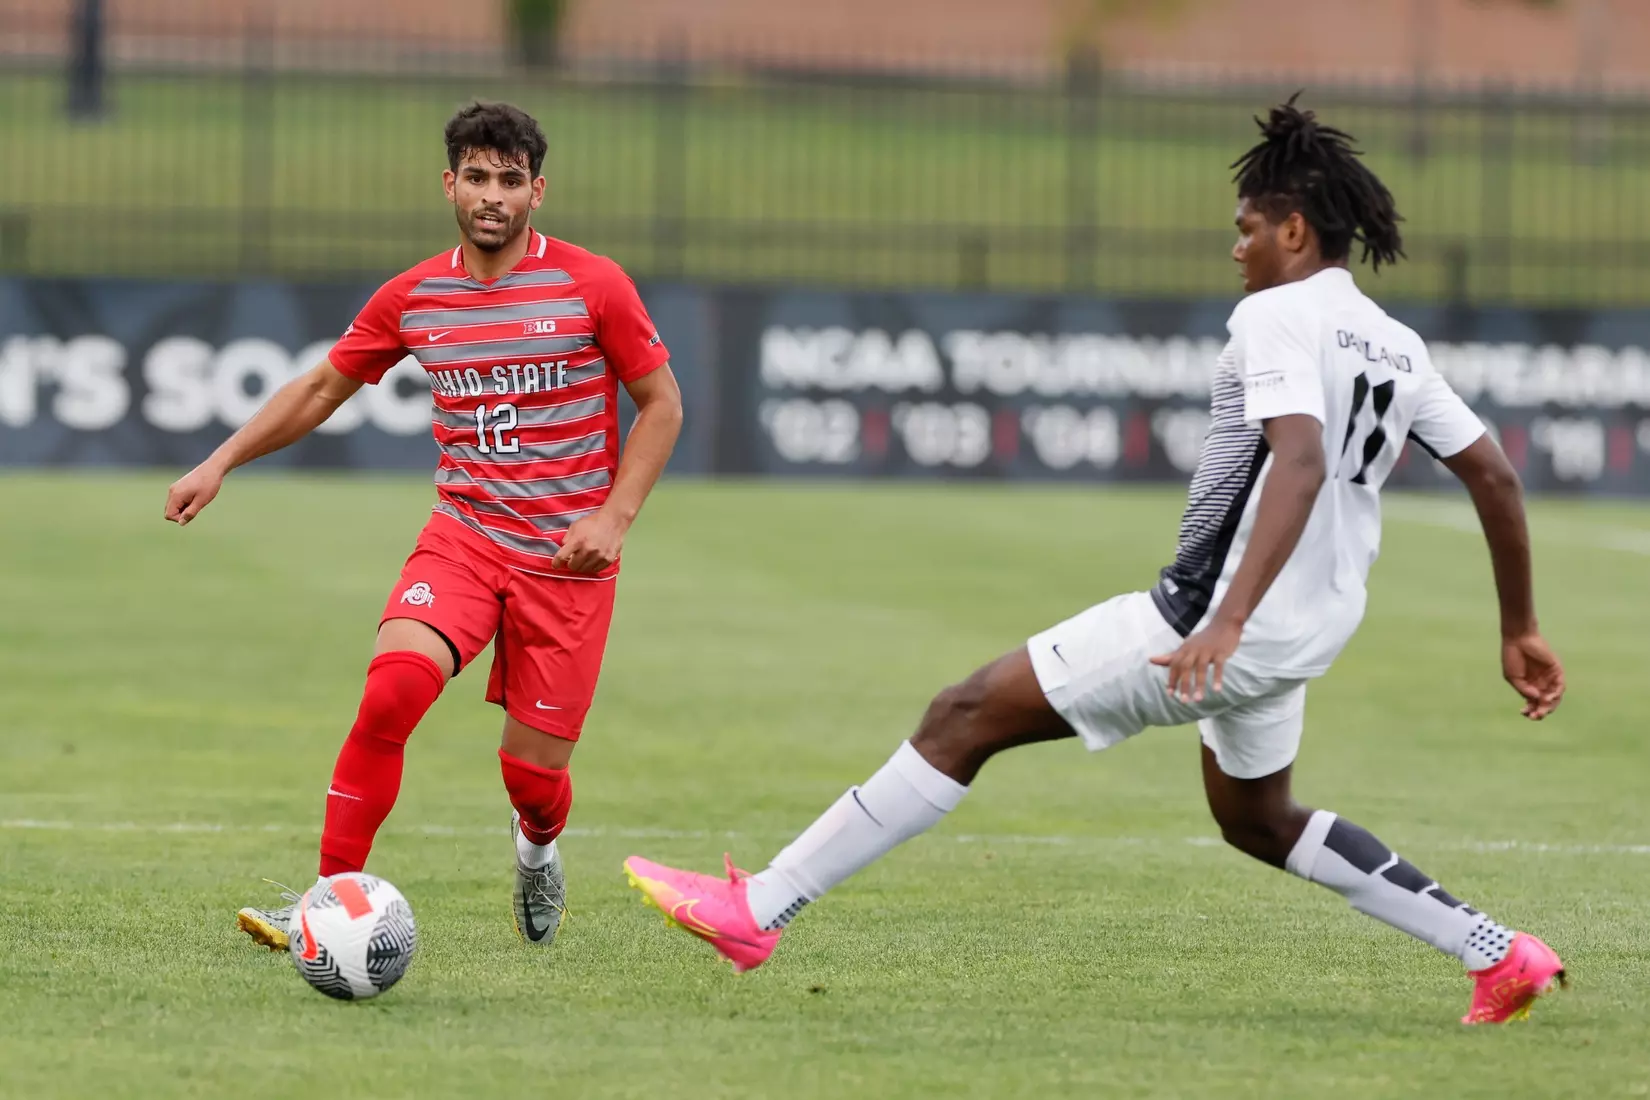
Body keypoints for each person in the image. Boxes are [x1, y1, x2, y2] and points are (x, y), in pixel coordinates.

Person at [622, 97, 1567, 1025]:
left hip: (1215, 624)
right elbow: (1495, 477)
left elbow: (1303, 459)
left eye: (1245, 229)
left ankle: (759, 910)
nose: (1235, 248)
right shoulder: (1395, 343)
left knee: (962, 715)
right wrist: (1519, 626)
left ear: (1292, 227)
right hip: (1309, 629)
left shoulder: (1276, 317)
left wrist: (1227, 622)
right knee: (1257, 820)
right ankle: (1500, 953)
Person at [165, 101, 683, 950]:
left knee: (533, 777)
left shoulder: (594, 284)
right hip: (466, 538)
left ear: (537, 192)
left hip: (569, 560)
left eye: (509, 181)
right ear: (449, 184)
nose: (491, 196)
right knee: (392, 689)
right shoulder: (415, 296)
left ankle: (539, 846)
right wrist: (220, 461)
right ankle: (327, 903)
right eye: (476, 177)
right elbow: (321, 389)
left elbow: (661, 405)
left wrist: (614, 517)